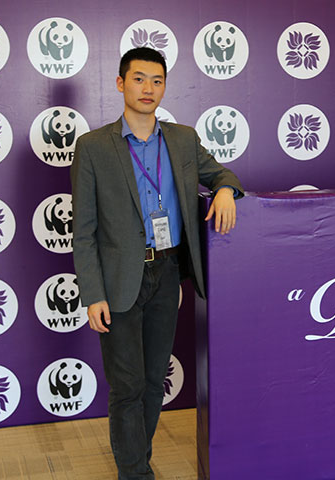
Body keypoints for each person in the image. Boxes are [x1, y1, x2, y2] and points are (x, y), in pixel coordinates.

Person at [70, 47, 242, 480]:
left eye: (157, 80)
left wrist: (224, 191)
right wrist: (93, 294)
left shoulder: (183, 139)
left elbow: (223, 175)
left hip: (167, 275)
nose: (148, 88)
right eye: (139, 78)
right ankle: (135, 472)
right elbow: (83, 230)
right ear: (120, 83)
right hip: (119, 280)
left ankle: (136, 460)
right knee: (127, 385)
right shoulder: (93, 147)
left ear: (164, 87)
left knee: (151, 382)